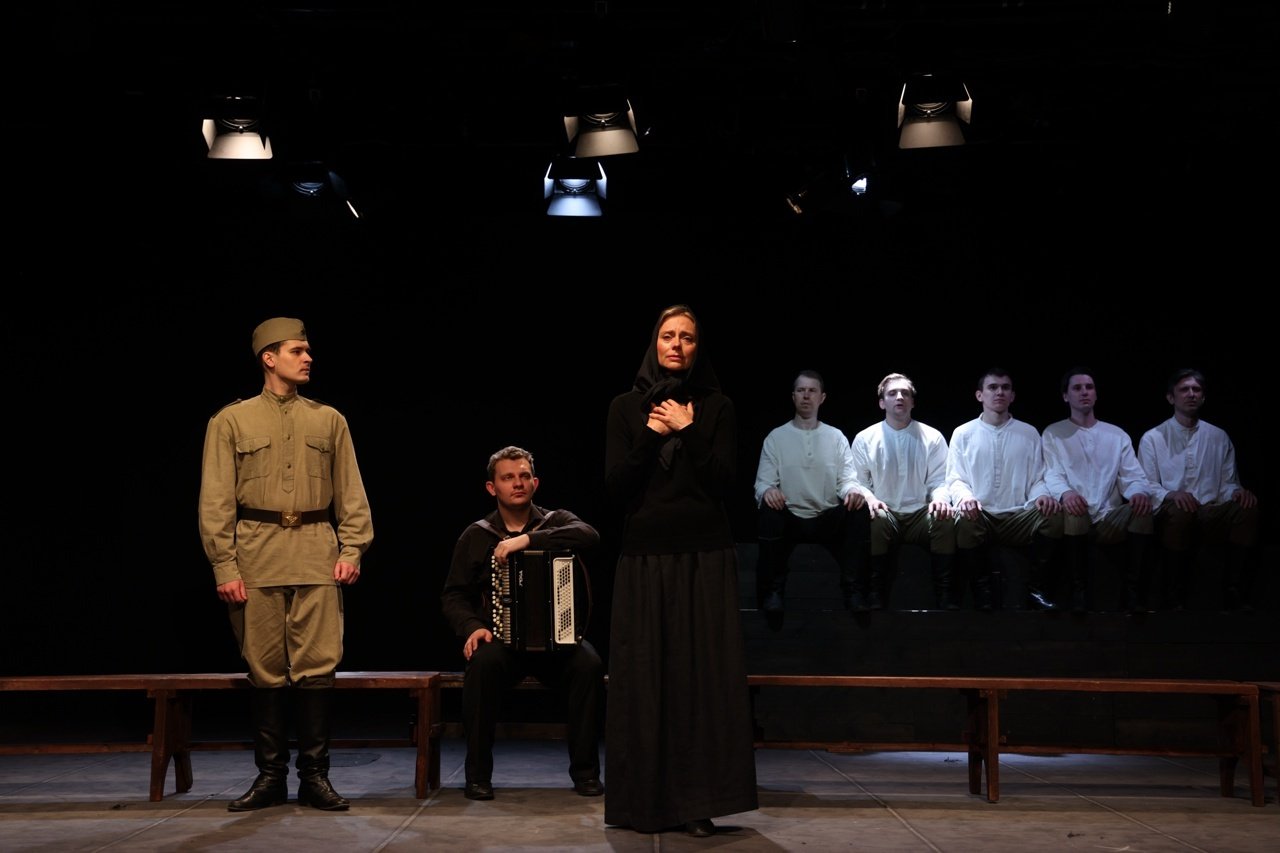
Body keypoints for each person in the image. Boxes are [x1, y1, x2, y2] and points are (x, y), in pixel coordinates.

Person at [198, 317, 373, 811]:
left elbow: (352, 493)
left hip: (316, 553)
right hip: (257, 555)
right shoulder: (231, 421)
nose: (308, 358)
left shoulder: (329, 420)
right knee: (265, 670)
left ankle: (315, 777)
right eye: (298, 350)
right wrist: (224, 566)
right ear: (269, 358)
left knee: (318, 668)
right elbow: (215, 500)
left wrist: (352, 549)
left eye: (308, 350)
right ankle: (271, 777)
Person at [603, 304, 758, 838]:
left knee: (700, 680)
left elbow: (724, 484)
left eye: (687, 337)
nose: (676, 344)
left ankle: (697, 804)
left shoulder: (717, 407)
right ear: (655, 343)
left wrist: (689, 430)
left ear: (697, 348)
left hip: (703, 556)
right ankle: (644, 803)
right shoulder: (625, 408)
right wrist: (651, 434)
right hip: (644, 558)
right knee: (644, 679)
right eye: (668, 335)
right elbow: (616, 488)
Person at [440, 446, 605, 801]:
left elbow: (589, 535)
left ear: (535, 483)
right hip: (503, 643)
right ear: (492, 487)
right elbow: (453, 595)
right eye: (508, 477)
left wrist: (528, 539)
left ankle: (586, 773)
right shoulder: (477, 535)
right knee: (482, 666)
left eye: (524, 476)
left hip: (557, 642)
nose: (517, 483)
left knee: (589, 665)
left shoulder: (556, 521)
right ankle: (477, 776)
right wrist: (472, 627)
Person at [1138, 369, 1260, 611]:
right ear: (1171, 397)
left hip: (1210, 509)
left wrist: (1237, 492)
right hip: (1173, 512)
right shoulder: (1153, 437)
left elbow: (1227, 482)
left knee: (1248, 509)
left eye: (1196, 390)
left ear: (1203, 397)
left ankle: (1234, 590)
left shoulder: (1218, 436)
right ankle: (1173, 594)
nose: (1191, 394)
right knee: (1181, 511)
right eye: (1184, 389)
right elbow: (1146, 484)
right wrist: (1171, 494)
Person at [1041, 367, 1159, 613]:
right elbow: (1052, 472)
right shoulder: (1054, 433)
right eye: (1077, 388)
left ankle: (1133, 593)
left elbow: (1132, 475)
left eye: (1089, 387)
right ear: (1066, 396)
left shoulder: (1116, 435)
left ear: (1095, 394)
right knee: (1074, 510)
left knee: (1143, 509)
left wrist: (1138, 492)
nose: (1084, 392)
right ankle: (1079, 593)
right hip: (1076, 514)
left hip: (1109, 516)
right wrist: (1066, 493)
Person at [946, 369, 1063, 610]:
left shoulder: (1028, 433)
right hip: (981, 515)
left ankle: (1035, 589)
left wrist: (1041, 495)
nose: (999, 392)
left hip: (1018, 516)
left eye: (1005, 387)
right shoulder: (963, 433)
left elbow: (1037, 477)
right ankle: (982, 592)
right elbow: (955, 478)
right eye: (993, 387)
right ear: (979, 395)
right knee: (964, 520)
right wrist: (966, 497)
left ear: (1012, 396)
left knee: (1052, 515)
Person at [753, 370, 869, 613]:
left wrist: (852, 491)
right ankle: (773, 591)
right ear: (793, 396)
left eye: (812, 391)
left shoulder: (835, 436)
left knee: (859, 508)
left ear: (822, 397)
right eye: (801, 390)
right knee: (768, 510)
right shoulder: (776, 437)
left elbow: (847, 479)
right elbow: (762, 482)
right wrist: (768, 491)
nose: (806, 396)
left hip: (826, 517)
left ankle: (854, 590)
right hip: (791, 517)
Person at [849, 373, 956, 610]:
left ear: (912, 402)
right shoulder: (865, 438)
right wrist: (870, 498)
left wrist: (939, 499)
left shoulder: (932, 437)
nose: (899, 397)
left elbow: (940, 480)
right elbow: (858, 481)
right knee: (874, 517)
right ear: (882, 402)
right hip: (886, 512)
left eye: (905, 393)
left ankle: (945, 594)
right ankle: (875, 593)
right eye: (892, 393)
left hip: (920, 513)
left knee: (944, 518)